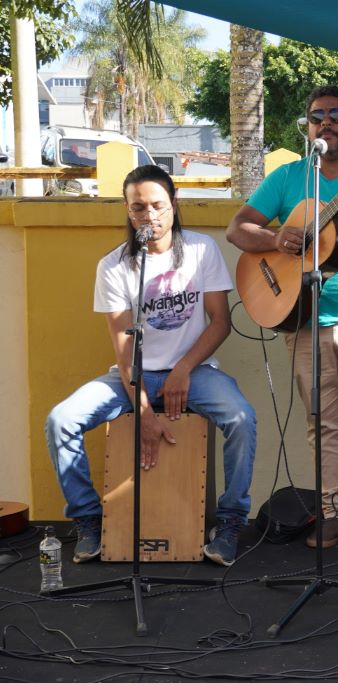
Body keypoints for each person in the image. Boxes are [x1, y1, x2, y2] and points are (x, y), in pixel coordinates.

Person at [227, 85, 338, 557]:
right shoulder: (291, 178)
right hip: (305, 320)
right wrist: (277, 239)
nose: (325, 123)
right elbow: (237, 228)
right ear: (309, 127)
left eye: (335, 116)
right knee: (322, 424)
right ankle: (333, 513)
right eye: (316, 117)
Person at [45, 165, 258, 567]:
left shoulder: (200, 250)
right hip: (130, 376)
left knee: (241, 419)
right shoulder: (114, 266)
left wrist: (182, 370)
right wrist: (143, 409)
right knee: (61, 420)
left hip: (194, 372)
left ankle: (230, 522)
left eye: (158, 205)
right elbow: (124, 347)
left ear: (174, 205)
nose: (150, 216)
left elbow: (220, 322)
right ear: (128, 212)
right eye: (139, 208)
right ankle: (90, 521)